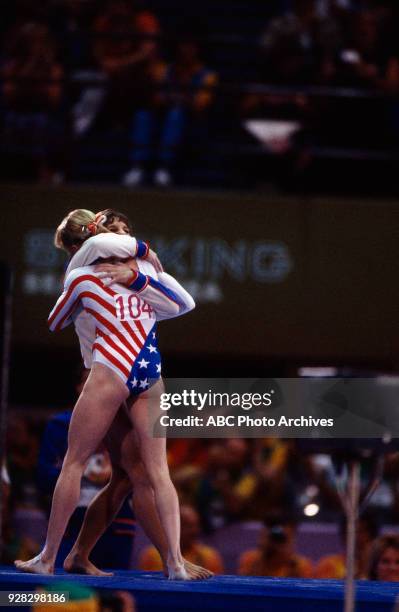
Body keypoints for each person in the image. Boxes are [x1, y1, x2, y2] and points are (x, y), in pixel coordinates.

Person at [15, 209, 195, 579]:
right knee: (154, 472)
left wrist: (82, 290)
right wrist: (139, 275)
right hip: (149, 372)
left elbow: (54, 322)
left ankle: (48, 557)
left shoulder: (83, 275)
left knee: (75, 463)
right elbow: (182, 304)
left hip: (110, 369)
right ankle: (175, 563)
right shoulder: (142, 275)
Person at [139, 504, 224, 574]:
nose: (194, 531)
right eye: (188, 526)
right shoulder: (151, 555)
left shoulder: (209, 556)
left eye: (196, 525)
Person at [238, 515, 313, 578]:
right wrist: (263, 555)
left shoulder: (302, 565)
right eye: (274, 535)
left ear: (292, 536)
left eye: (281, 536)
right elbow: (246, 587)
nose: (277, 538)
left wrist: (290, 561)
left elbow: (301, 591)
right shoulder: (250, 559)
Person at [315, 511, 379, 579]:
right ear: (344, 535)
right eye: (352, 531)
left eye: (362, 531)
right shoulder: (328, 564)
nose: (357, 536)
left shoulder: (382, 566)